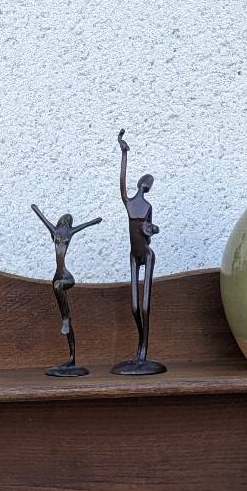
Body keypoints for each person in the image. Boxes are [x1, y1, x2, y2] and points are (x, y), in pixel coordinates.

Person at [112, 129, 166, 374]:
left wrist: (151, 229)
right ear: (141, 184)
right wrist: (123, 153)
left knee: (145, 306)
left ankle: (143, 351)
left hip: (147, 255)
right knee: (134, 307)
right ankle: (139, 349)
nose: (146, 186)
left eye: (148, 184)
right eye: (146, 183)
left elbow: (150, 231)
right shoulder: (129, 202)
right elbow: (121, 182)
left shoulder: (148, 206)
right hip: (134, 256)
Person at [31, 203, 102, 376]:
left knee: (58, 286)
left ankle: (65, 321)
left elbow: (84, 226)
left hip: (66, 276)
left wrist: (95, 221)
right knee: (64, 309)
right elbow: (43, 219)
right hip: (57, 276)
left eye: (68, 220)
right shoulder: (55, 231)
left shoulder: (69, 232)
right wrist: (35, 208)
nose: (66, 221)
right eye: (65, 219)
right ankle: (71, 356)